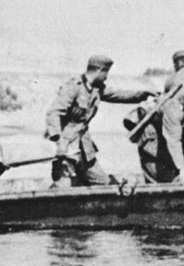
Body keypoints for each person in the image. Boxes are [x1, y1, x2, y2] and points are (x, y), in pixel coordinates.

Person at [45, 54, 155, 187]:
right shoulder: (74, 86)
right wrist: (60, 141)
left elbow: (118, 95)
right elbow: (54, 112)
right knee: (63, 186)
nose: (107, 77)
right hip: (68, 148)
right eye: (106, 72)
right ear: (99, 70)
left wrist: (142, 95)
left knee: (103, 184)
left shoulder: (96, 89)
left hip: (85, 148)